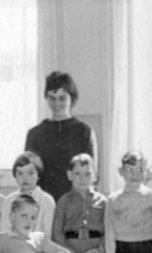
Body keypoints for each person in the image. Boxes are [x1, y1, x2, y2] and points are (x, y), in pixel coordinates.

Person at [24, 71, 97, 201]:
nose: (57, 103)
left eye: (62, 98)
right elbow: (28, 174)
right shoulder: (35, 134)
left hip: (75, 202)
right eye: (52, 98)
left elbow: (90, 174)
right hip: (43, 203)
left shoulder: (84, 131)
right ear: (46, 98)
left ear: (72, 98)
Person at [105, 150, 152, 253]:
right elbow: (109, 232)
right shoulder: (113, 199)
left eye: (140, 170)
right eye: (130, 170)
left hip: (145, 246)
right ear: (121, 171)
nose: (135, 175)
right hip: (121, 246)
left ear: (146, 172)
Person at [52, 153, 105, 253]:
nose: (82, 178)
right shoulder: (63, 201)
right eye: (77, 174)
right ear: (69, 175)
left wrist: (99, 250)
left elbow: (109, 231)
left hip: (95, 250)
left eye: (87, 174)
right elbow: (57, 232)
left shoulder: (103, 201)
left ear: (95, 176)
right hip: (71, 249)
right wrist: (69, 252)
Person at [0, 151, 57, 237]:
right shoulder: (9, 200)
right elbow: (5, 231)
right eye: (20, 173)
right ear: (15, 175)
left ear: (39, 175)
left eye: (31, 173)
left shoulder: (47, 200)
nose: (25, 178)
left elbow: (47, 234)